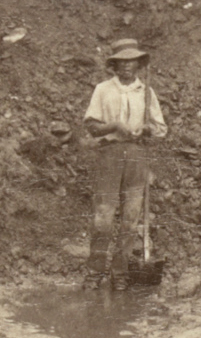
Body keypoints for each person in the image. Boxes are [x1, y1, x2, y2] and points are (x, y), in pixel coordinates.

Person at [82, 39, 167, 291]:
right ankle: (95, 272)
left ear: (139, 64)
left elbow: (160, 128)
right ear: (114, 65)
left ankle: (120, 273)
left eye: (132, 61)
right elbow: (91, 125)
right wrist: (115, 126)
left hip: (138, 155)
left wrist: (147, 128)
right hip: (110, 155)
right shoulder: (103, 90)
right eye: (122, 61)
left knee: (130, 218)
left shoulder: (146, 92)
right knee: (104, 217)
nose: (127, 66)